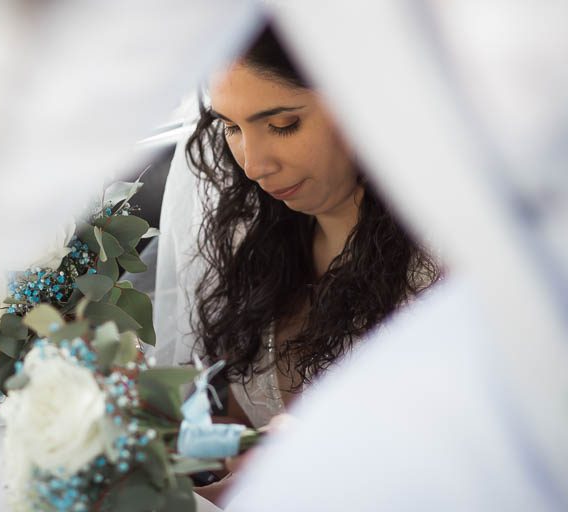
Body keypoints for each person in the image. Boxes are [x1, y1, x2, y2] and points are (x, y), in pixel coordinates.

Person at [150, 24, 439, 504]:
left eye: (282, 125)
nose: (252, 164)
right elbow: (247, 430)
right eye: (231, 128)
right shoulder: (250, 237)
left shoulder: (443, 268)